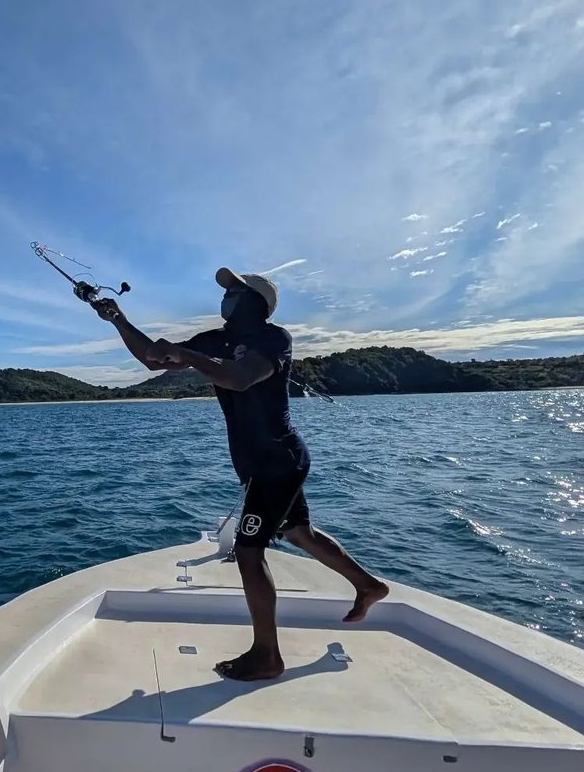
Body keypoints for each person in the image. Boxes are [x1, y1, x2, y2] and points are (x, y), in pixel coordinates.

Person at [91, 267, 389, 681]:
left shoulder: (273, 339)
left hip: (277, 461)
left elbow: (241, 377)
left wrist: (187, 353)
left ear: (255, 301)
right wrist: (118, 318)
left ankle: (267, 655)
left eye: (233, 290)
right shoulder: (216, 340)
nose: (226, 296)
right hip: (258, 463)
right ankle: (368, 585)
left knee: (249, 551)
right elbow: (152, 358)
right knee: (299, 532)